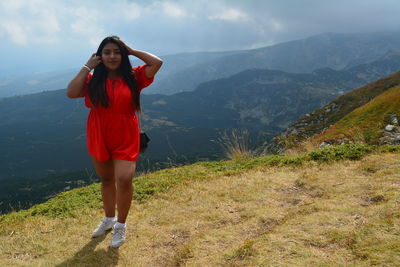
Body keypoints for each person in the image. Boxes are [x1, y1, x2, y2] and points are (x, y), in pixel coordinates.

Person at [66, 35, 163, 248]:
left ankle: (121, 225)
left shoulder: (134, 76)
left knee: (125, 179)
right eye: (107, 52)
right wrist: (86, 67)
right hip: (99, 132)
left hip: (125, 133)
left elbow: (157, 63)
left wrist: (132, 50)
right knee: (107, 179)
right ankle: (108, 219)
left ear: (123, 54)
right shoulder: (92, 79)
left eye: (117, 52)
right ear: (99, 56)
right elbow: (71, 92)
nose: (112, 56)